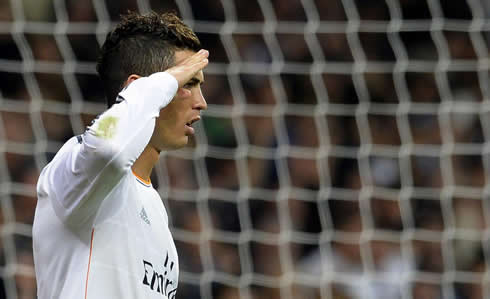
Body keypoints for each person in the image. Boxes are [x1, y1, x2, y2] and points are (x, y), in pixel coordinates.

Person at [32, 11, 208, 299]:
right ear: (139, 89)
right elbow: (109, 148)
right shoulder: (74, 167)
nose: (202, 103)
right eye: (188, 83)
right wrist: (165, 82)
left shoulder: (154, 207)